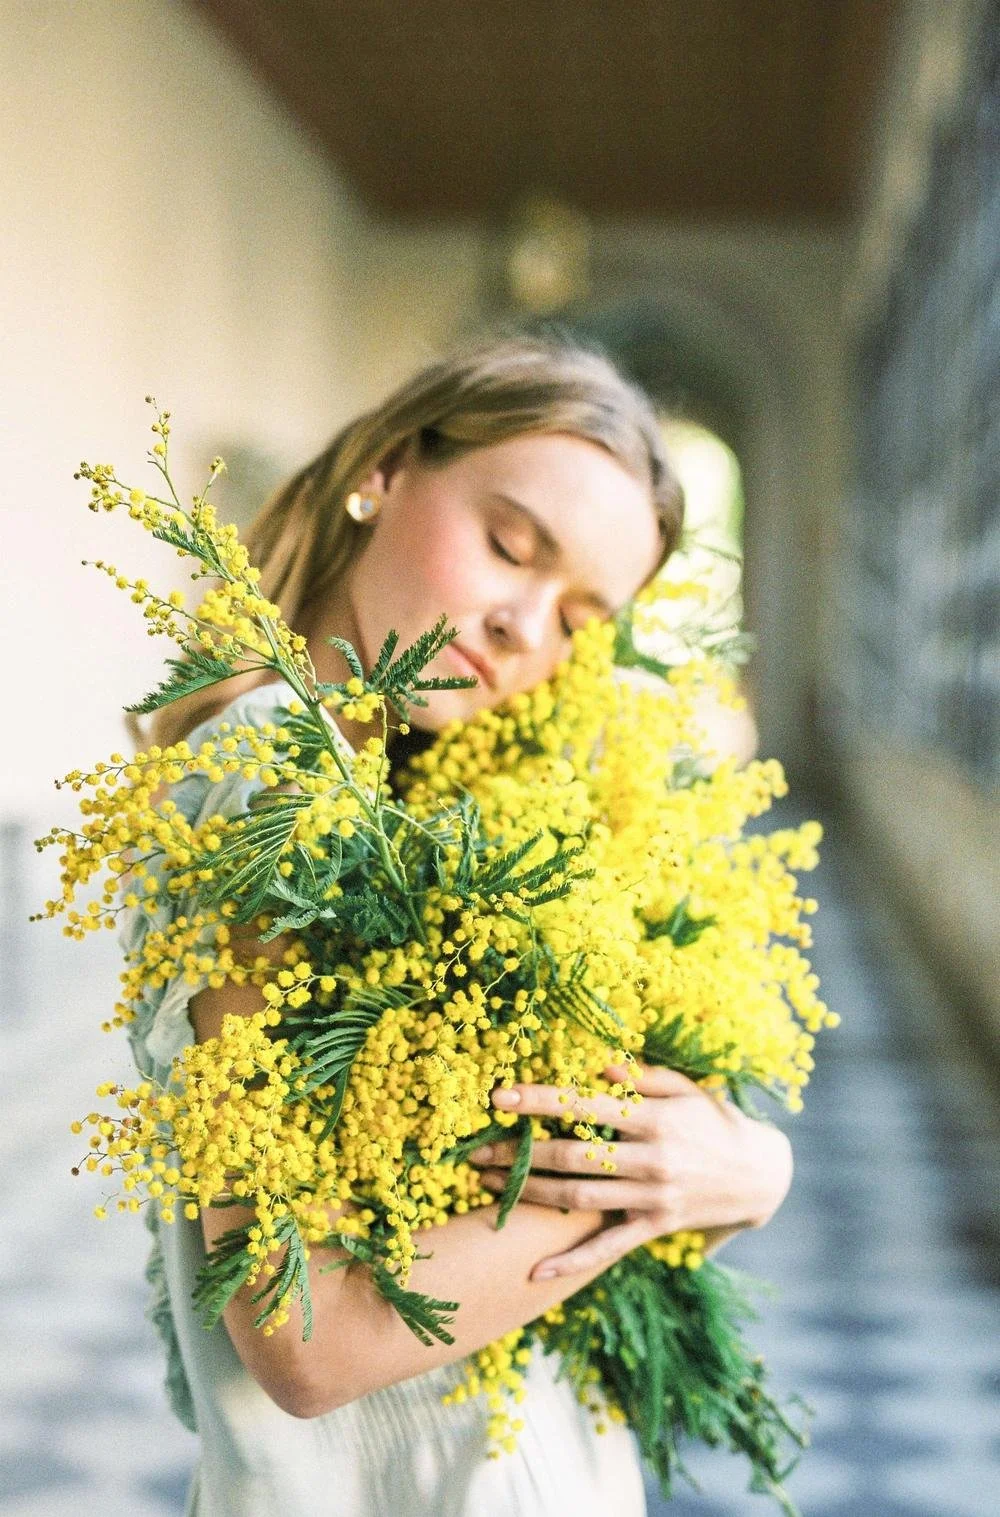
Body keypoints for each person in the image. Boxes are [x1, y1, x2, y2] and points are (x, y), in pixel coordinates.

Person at [125, 332, 793, 1516]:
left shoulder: (425, 794)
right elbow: (305, 1331)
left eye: (580, 618)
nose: (522, 626)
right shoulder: (271, 772)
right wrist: (682, 1179)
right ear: (382, 468)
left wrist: (742, 1160)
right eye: (508, 544)